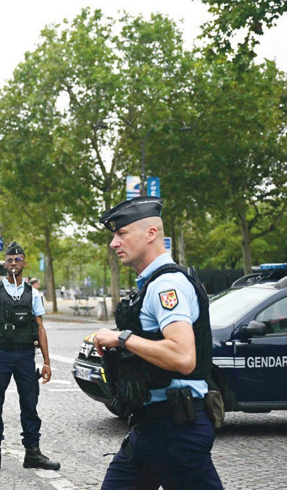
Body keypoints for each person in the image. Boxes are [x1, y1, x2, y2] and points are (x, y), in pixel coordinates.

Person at [93, 197, 222, 489]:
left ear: (151, 233)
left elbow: (183, 356)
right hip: (150, 427)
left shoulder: (167, 285)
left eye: (121, 233)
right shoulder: (152, 284)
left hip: (176, 431)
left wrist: (122, 339)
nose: (114, 243)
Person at [0, 242, 60, 474]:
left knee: (30, 404)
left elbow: (40, 328)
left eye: (18, 259)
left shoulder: (33, 293)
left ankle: (32, 453)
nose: (13, 263)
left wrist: (46, 362)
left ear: (25, 263)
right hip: (1, 355)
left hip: (26, 356)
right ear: (5, 264)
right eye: (10, 260)